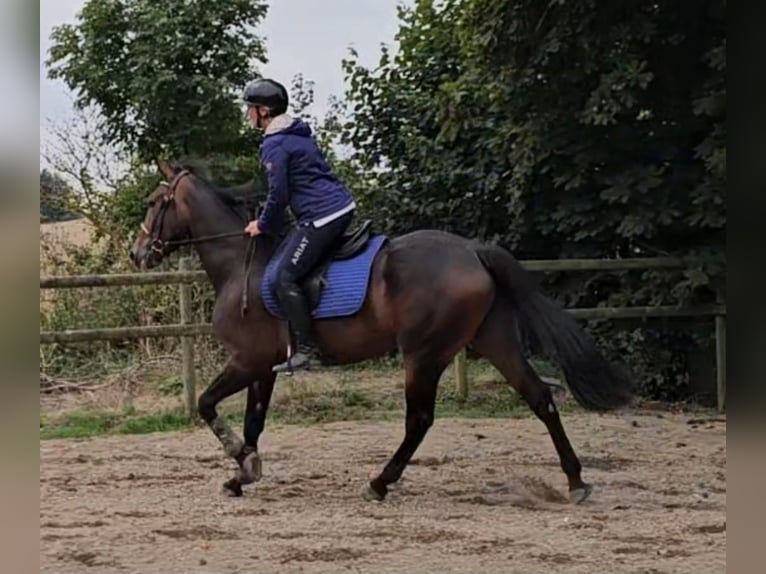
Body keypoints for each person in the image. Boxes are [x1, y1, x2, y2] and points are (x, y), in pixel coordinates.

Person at [242, 78, 356, 373]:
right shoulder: (298, 134)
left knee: (284, 277)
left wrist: (263, 225)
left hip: (322, 215)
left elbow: (278, 195)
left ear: (264, 111)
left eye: (250, 109)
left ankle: (307, 350)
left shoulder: (274, 144)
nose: (248, 115)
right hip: (340, 206)